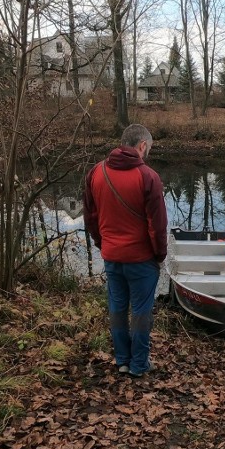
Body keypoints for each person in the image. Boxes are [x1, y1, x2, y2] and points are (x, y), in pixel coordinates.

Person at [83, 124, 168, 378]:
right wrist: (160, 255)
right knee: (141, 312)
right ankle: (139, 364)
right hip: (141, 259)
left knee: (117, 308)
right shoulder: (148, 177)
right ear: (142, 145)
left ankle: (122, 360)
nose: (148, 154)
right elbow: (157, 225)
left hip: (112, 256)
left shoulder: (96, 172)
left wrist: (103, 244)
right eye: (148, 149)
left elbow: (91, 218)